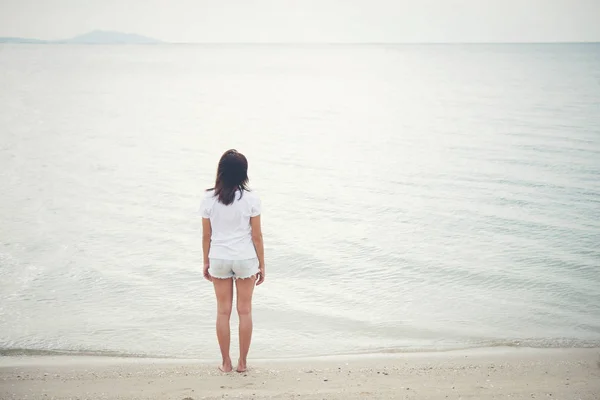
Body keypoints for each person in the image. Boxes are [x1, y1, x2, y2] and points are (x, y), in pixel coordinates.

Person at [200, 149, 265, 373]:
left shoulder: (208, 198)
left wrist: (206, 261)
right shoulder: (251, 198)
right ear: (243, 173)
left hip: (218, 257)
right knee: (244, 311)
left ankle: (226, 363)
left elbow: (206, 236)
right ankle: (242, 364)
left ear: (221, 171)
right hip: (245, 258)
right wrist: (262, 264)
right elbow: (256, 236)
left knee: (222, 312)